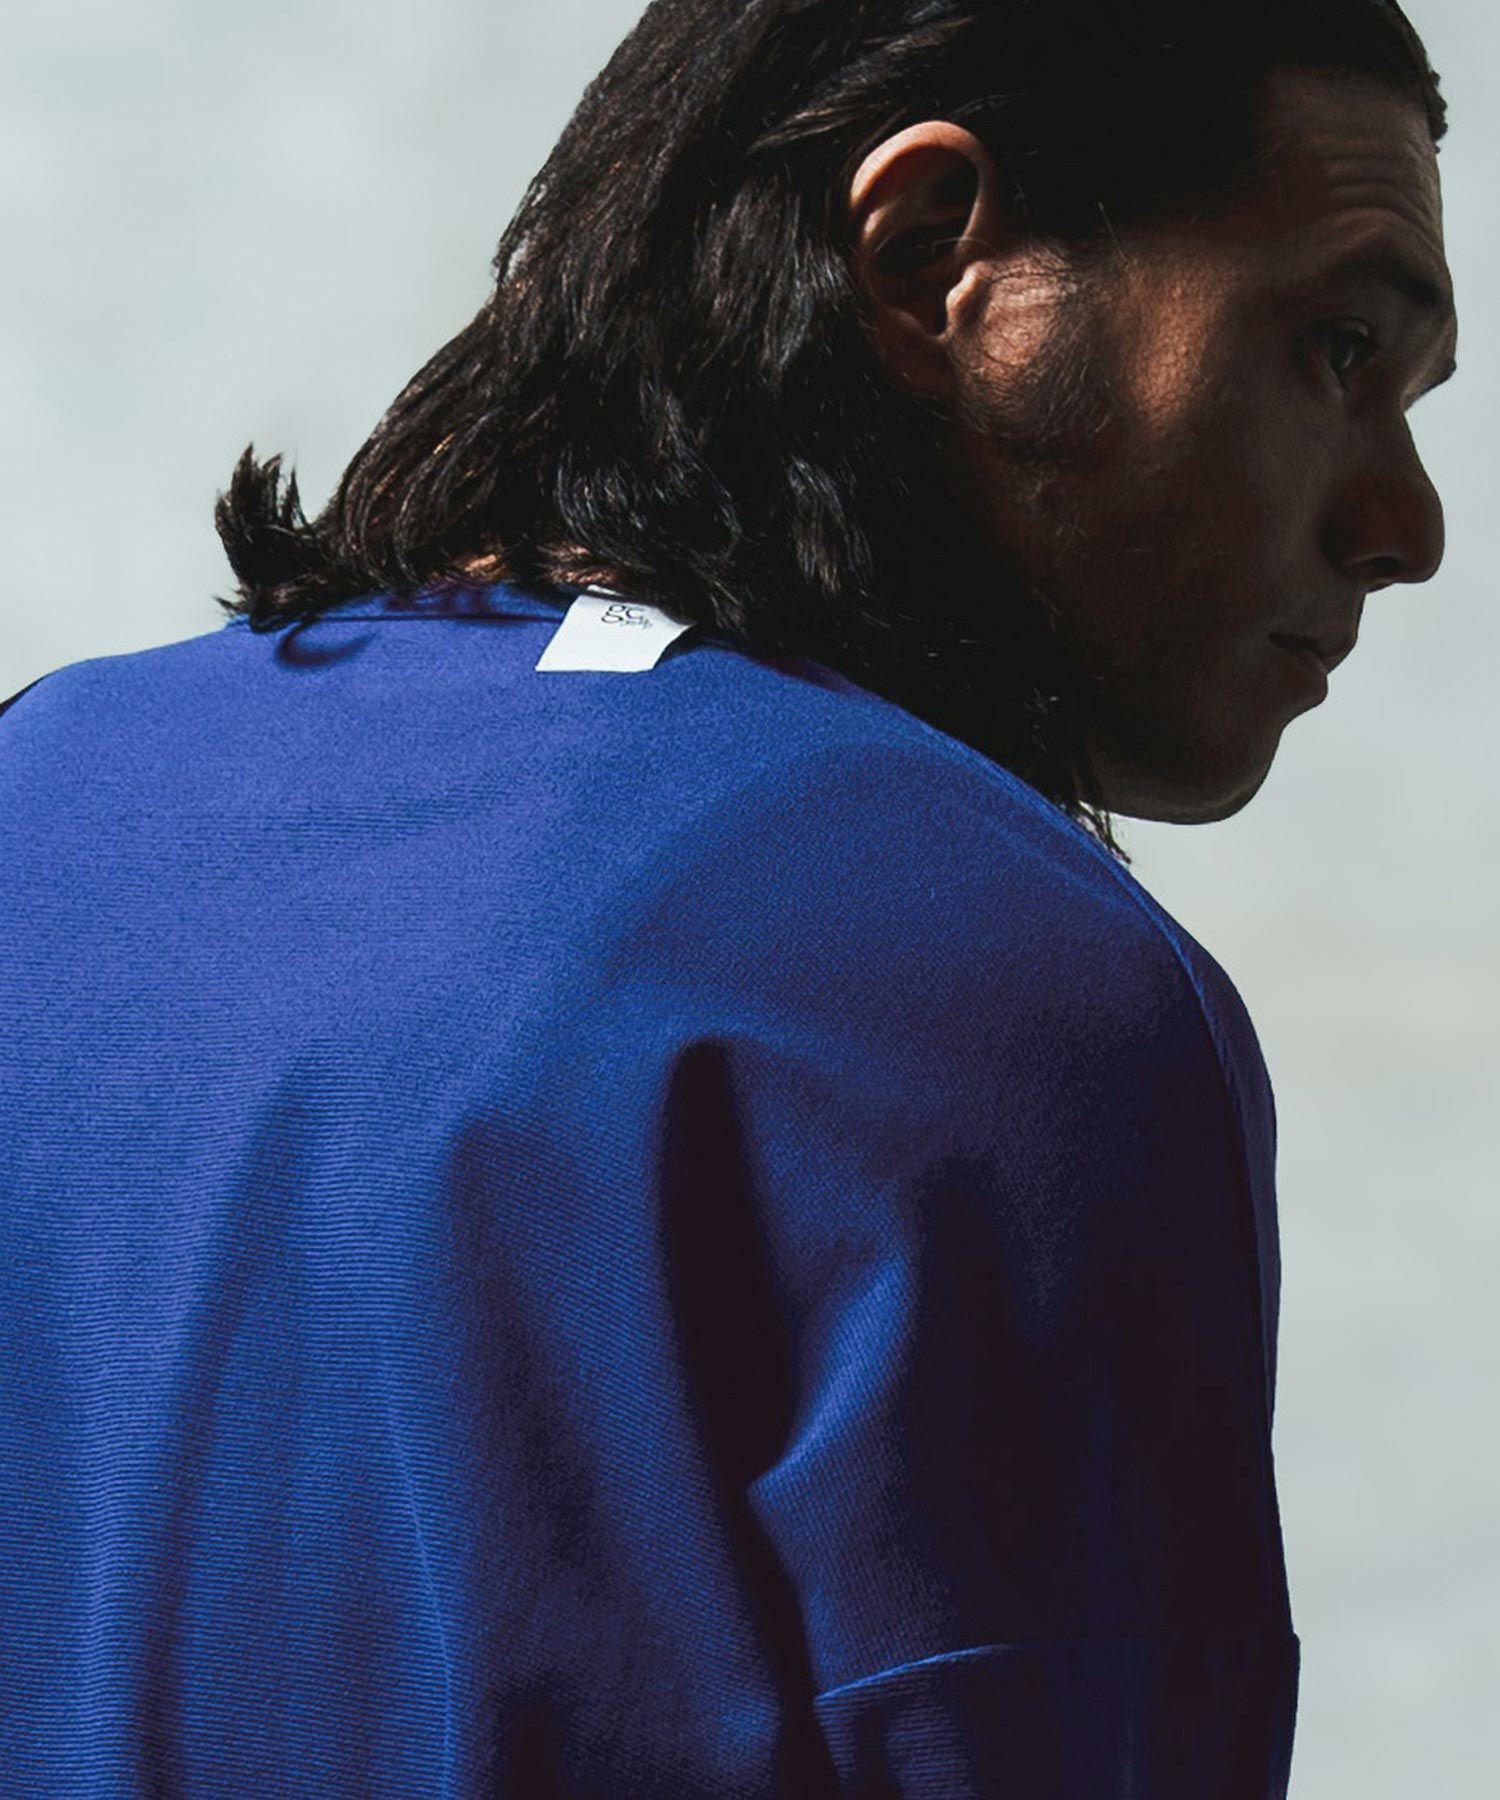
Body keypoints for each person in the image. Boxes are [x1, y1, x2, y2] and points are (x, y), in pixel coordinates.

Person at [0, 0, 1458, 1793]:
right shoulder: (991, 972)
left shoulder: (41, 789)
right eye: (1334, 350)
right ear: (930, 260)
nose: (1406, 523)